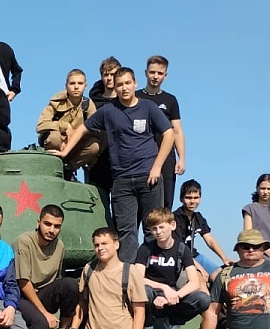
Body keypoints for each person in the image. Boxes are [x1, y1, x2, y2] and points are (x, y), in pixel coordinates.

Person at [56, 66, 173, 264]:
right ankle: (127, 275)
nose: (124, 88)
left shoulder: (148, 107)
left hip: (149, 176)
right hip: (121, 180)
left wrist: (157, 167)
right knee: (125, 232)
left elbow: (169, 134)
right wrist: (65, 152)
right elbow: (83, 129)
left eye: (127, 83)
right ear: (115, 87)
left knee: (153, 228)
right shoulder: (109, 111)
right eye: (120, 85)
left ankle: (150, 273)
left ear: (135, 84)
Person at [134, 207, 211, 329]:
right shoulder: (145, 249)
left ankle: (175, 323)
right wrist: (163, 288)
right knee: (144, 291)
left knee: (203, 299)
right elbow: (137, 278)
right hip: (153, 296)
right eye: (154, 229)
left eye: (161, 227)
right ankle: (147, 325)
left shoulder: (182, 249)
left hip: (173, 297)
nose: (158, 232)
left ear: (172, 225)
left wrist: (176, 295)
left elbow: (194, 282)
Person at [135, 56, 185, 209]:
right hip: (141, 155)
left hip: (167, 156)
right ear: (146, 73)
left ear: (165, 75)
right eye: (152, 72)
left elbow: (177, 130)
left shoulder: (170, 100)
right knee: (141, 202)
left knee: (166, 202)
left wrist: (182, 158)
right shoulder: (136, 97)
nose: (155, 76)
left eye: (160, 73)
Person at [36, 69, 100, 176]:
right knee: (54, 138)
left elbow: (95, 130)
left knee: (94, 146)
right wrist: (65, 126)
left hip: (75, 145)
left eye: (80, 83)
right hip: (56, 143)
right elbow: (40, 125)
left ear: (85, 86)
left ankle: (68, 170)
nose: (76, 87)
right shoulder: (56, 102)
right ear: (66, 86)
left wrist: (74, 135)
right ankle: (53, 166)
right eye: (72, 83)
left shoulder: (88, 105)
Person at [173, 180, 233, 278]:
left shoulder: (198, 217)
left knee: (219, 275)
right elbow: (178, 247)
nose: (192, 201)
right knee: (200, 276)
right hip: (180, 257)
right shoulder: (175, 218)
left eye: (196, 198)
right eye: (188, 197)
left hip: (194, 255)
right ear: (181, 198)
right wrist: (200, 268)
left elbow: (210, 240)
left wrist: (224, 258)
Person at [85, 57, 120, 200]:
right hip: (97, 161)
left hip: (120, 160)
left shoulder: (126, 102)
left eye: (113, 74)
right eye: (106, 75)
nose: (109, 78)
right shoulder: (91, 103)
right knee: (97, 202)